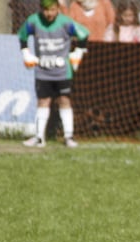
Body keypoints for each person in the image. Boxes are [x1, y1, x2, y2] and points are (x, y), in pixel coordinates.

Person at [18, 0, 89, 148]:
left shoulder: (65, 23)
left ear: (58, 8)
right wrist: (26, 53)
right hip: (42, 71)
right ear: (41, 9)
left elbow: (84, 34)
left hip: (62, 72)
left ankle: (69, 136)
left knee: (64, 101)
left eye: (52, 10)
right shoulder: (34, 21)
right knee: (43, 102)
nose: (49, 14)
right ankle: (39, 137)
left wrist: (78, 52)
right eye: (46, 10)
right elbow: (22, 35)